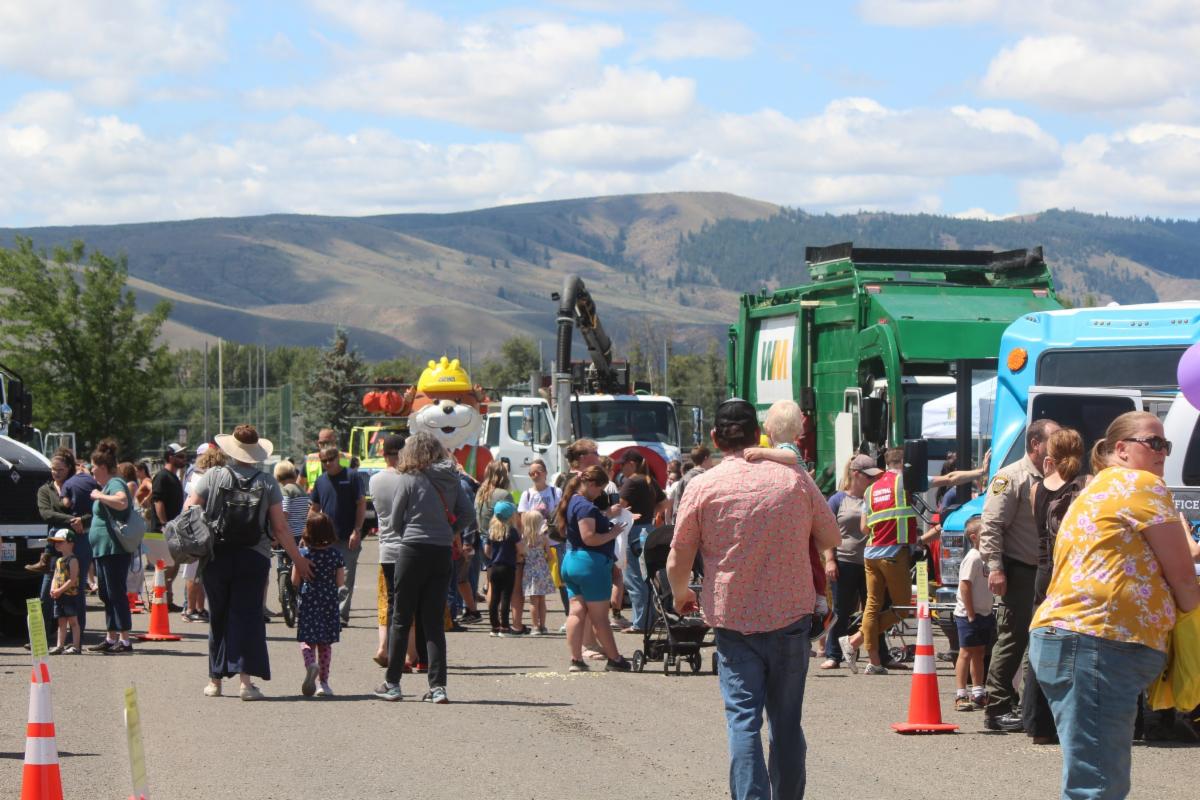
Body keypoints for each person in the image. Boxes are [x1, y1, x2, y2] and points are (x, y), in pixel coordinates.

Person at [668, 398, 840, 800]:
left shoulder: (702, 486)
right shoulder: (794, 479)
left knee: (743, 722)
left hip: (734, 618)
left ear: (714, 438)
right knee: (786, 723)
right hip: (790, 617)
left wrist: (680, 593)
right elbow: (831, 537)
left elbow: (679, 557)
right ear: (757, 434)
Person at [1030, 411, 1200, 799]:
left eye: (1165, 444)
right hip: (1096, 643)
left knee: (1094, 777)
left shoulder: (1096, 487)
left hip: (1078, 640)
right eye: (1152, 443)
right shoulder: (1140, 484)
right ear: (1120, 449)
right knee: (1098, 786)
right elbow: (1183, 576)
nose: (1162, 452)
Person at [188, 424, 312, 700]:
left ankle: (214, 681)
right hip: (254, 556)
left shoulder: (213, 476)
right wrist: (298, 560)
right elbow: (280, 527)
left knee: (218, 616)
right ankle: (246, 683)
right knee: (248, 617)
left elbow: (190, 510)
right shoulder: (267, 482)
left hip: (217, 555)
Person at [375, 432, 473, 704]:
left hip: (412, 549)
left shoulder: (409, 478)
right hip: (441, 552)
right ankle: (438, 686)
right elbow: (468, 514)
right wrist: (447, 531)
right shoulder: (452, 477)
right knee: (433, 622)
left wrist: (410, 532)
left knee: (401, 617)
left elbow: (395, 520)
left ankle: (393, 683)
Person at [979, 417, 1060, 731]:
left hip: (1046, 572)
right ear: (1035, 444)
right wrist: (995, 568)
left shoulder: (1052, 477)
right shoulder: (1011, 477)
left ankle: (1027, 705)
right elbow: (991, 526)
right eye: (1052, 441)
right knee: (1013, 638)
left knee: (1039, 639)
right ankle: (997, 706)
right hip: (1019, 570)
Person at [839, 447, 940, 674]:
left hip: (871, 553)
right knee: (902, 608)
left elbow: (865, 527)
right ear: (905, 463)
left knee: (872, 606)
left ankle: (873, 662)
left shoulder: (871, 489)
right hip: (893, 554)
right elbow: (950, 478)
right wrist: (981, 472)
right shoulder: (905, 481)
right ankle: (855, 641)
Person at [1023, 427, 1087, 743]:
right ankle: (1068, 721)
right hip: (1069, 571)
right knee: (1074, 644)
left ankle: (1037, 723)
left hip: (1043, 571)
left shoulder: (1037, 489)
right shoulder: (1083, 486)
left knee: (1042, 642)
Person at [556, 464, 632, 672]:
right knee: (600, 617)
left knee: (576, 612)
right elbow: (589, 538)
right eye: (599, 489)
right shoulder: (585, 506)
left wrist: (605, 515)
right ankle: (615, 659)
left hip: (571, 561)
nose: (599, 493)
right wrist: (613, 533)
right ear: (590, 484)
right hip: (590, 564)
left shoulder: (572, 501)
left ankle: (576, 659)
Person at [819, 454, 884, 669]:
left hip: (871, 561)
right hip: (845, 561)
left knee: (874, 609)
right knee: (841, 610)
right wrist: (830, 560)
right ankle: (833, 654)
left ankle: (880, 654)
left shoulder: (874, 497)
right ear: (856, 474)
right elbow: (828, 532)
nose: (873, 480)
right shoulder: (837, 500)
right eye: (869, 476)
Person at [86, 439, 135, 654]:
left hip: (114, 549)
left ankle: (124, 640)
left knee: (116, 593)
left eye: (93, 467)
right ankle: (111, 636)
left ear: (103, 467)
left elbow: (122, 502)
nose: (91, 471)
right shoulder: (108, 485)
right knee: (106, 594)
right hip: (104, 549)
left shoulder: (115, 484)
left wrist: (99, 496)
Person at [308, 445, 366, 627]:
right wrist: (307, 531)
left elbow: (361, 504)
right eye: (324, 461)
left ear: (338, 458)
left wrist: (357, 530)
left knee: (346, 578)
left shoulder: (352, 476)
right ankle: (327, 613)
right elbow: (314, 508)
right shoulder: (321, 481)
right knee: (325, 577)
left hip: (348, 536)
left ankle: (341, 616)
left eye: (330, 459)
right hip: (325, 538)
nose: (327, 463)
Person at [293, 511, 345, 698]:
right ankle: (324, 683)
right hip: (329, 602)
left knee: (307, 640)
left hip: (309, 601)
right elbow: (340, 582)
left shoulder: (303, 554)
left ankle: (310, 664)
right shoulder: (335, 555)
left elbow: (294, 580)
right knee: (325, 644)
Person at [618, 450, 666, 636]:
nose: (621, 468)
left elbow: (619, 505)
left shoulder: (632, 482)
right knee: (648, 579)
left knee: (635, 580)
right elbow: (665, 503)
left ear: (631, 463)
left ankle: (640, 623)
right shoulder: (648, 480)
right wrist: (651, 513)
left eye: (623, 464)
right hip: (648, 530)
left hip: (634, 532)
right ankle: (649, 619)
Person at [369, 434, 405, 667]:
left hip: (386, 548)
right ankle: (402, 654)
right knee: (407, 605)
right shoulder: (408, 479)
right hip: (407, 545)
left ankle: (386, 647)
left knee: (391, 601)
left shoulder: (374, 480)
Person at [952, 517, 993, 711]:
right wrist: (970, 613)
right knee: (966, 652)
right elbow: (965, 585)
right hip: (969, 614)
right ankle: (961, 693)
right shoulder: (974, 557)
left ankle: (978, 691)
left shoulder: (987, 557)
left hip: (984, 612)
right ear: (975, 537)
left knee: (980, 652)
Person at [181, 447, 225, 622]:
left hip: (200, 528)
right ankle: (190, 608)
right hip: (196, 529)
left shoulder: (198, 476)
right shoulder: (200, 478)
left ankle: (199, 608)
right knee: (193, 572)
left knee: (201, 571)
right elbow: (191, 505)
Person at [518, 459, 563, 618]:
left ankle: (567, 615)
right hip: (535, 546)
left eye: (537, 472)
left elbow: (561, 514)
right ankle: (538, 622)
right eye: (531, 473)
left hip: (555, 541)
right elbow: (523, 519)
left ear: (545, 473)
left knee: (561, 581)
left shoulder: (555, 492)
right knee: (536, 586)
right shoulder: (527, 494)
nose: (534, 475)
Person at [151, 443, 188, 612]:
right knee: (165, 568)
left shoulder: (174, 477)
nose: (184, 459)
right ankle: (157, 600)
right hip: (161, 530)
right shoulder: (162, 477)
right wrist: (164, 524)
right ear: (170, 457)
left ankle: (167, 600)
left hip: (172, 529)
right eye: (180, 456)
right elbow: (158, 501)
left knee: (173, 566)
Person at [484, 500, 523, 636]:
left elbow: (487, 551)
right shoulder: (512, 532)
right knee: (506, 597)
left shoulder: (491, 532)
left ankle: (494, 626)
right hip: (508, 567)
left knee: (494, 597)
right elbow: (521, 549)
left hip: (494, 567)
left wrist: (492, 557)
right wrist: (520, 555)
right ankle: (505, 627)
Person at [47, 529, 81, 655]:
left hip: (69, 595)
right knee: (61, 622)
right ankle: (59, 645)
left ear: (70, 543)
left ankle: (76, 646)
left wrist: (60, 590)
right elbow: (55, 577)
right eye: (55, 542)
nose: (57, 544)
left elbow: (72, 580)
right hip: (59, 595)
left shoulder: (73, 560)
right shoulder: (58, 560)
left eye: (60, 542)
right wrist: (52, 589)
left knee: (73, 621)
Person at [520, 510, 553, 635]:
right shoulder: (544, 538)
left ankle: (535, 627)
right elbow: (550, 556)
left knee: (533, 601)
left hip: (529, 571)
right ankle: (543, 626)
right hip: (542, 570)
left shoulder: (524, 538)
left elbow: (521, 554)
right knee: (542, 600)